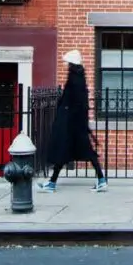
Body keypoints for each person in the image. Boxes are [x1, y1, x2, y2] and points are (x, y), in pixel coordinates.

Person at [38, 50, 107, 193]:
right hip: (75, 124)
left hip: (73, 125)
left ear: (71, 63)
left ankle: (101, 179)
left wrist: (70, 119)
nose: (65, 65)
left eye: (67, 62)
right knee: (67, 152)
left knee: (80, 152)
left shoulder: (75, 79)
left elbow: (77, 103)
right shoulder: (77, 77)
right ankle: (52, 183)